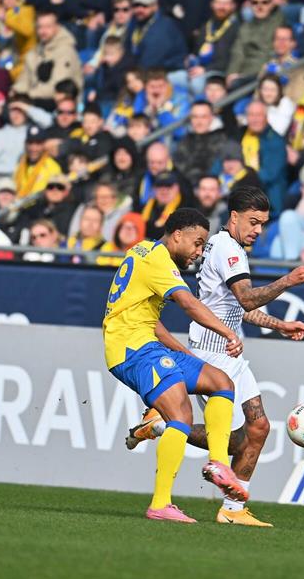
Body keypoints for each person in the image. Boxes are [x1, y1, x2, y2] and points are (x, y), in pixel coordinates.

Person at [125, 188, 304, 526]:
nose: (258, 230)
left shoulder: (227, 246)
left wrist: (279, 324)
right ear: (234, 217)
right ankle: (158, 426)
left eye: (263, 224)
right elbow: (245, 299)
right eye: (253, 222)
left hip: (230, 349)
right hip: (214, 353)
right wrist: (288, 281)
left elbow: (233, 308)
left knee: (258, 428)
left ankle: (232, 509)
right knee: (231, 440)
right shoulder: (228, 249)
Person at [102, 207, 248, 523]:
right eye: (196, 243)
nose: (198, 252)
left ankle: (219, 463)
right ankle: (160, 503)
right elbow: (187, 303)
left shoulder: (144, 251)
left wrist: (185, 355)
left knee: (220, 380)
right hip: (132, 350)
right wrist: (226, 331)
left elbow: (149, 321)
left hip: (144, 342)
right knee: (182, 412)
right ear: (177, 234)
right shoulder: (158, 260)